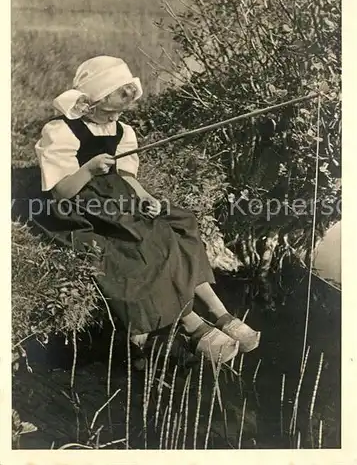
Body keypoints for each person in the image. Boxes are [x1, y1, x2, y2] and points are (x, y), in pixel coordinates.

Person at [34, 55, 260, 364]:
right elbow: (61, 191)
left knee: (180, 221)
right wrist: (88, 169)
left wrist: (144, 197)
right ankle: (192, 325)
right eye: (114, 107)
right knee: (144, 240)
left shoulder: (123, 132)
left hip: (117, 198)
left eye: (123, 109)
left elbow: (128, 177)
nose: (119, 115)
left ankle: (219, 313)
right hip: (80, 206)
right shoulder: (60, 131)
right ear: (95, 101)